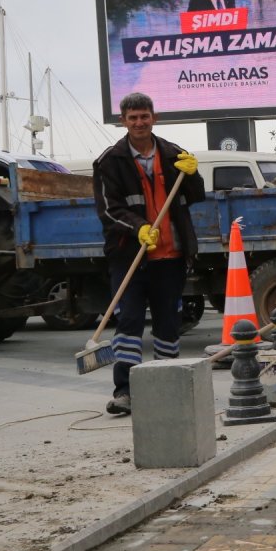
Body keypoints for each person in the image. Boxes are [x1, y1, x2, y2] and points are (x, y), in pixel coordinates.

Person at [93, 92, 205, 415]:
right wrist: (139, 227)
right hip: (129, 255)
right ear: (123, 121)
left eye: (144, 116)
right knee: (128, 321)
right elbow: (108, 210)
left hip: (170, 257)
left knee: (168, 322)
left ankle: (166, 384)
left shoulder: (173, 155)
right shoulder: (109, 162)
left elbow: (195, 196)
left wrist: (193, 174)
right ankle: (126, 391)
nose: (139, 123)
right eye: (133, 118)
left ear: (154, 118)